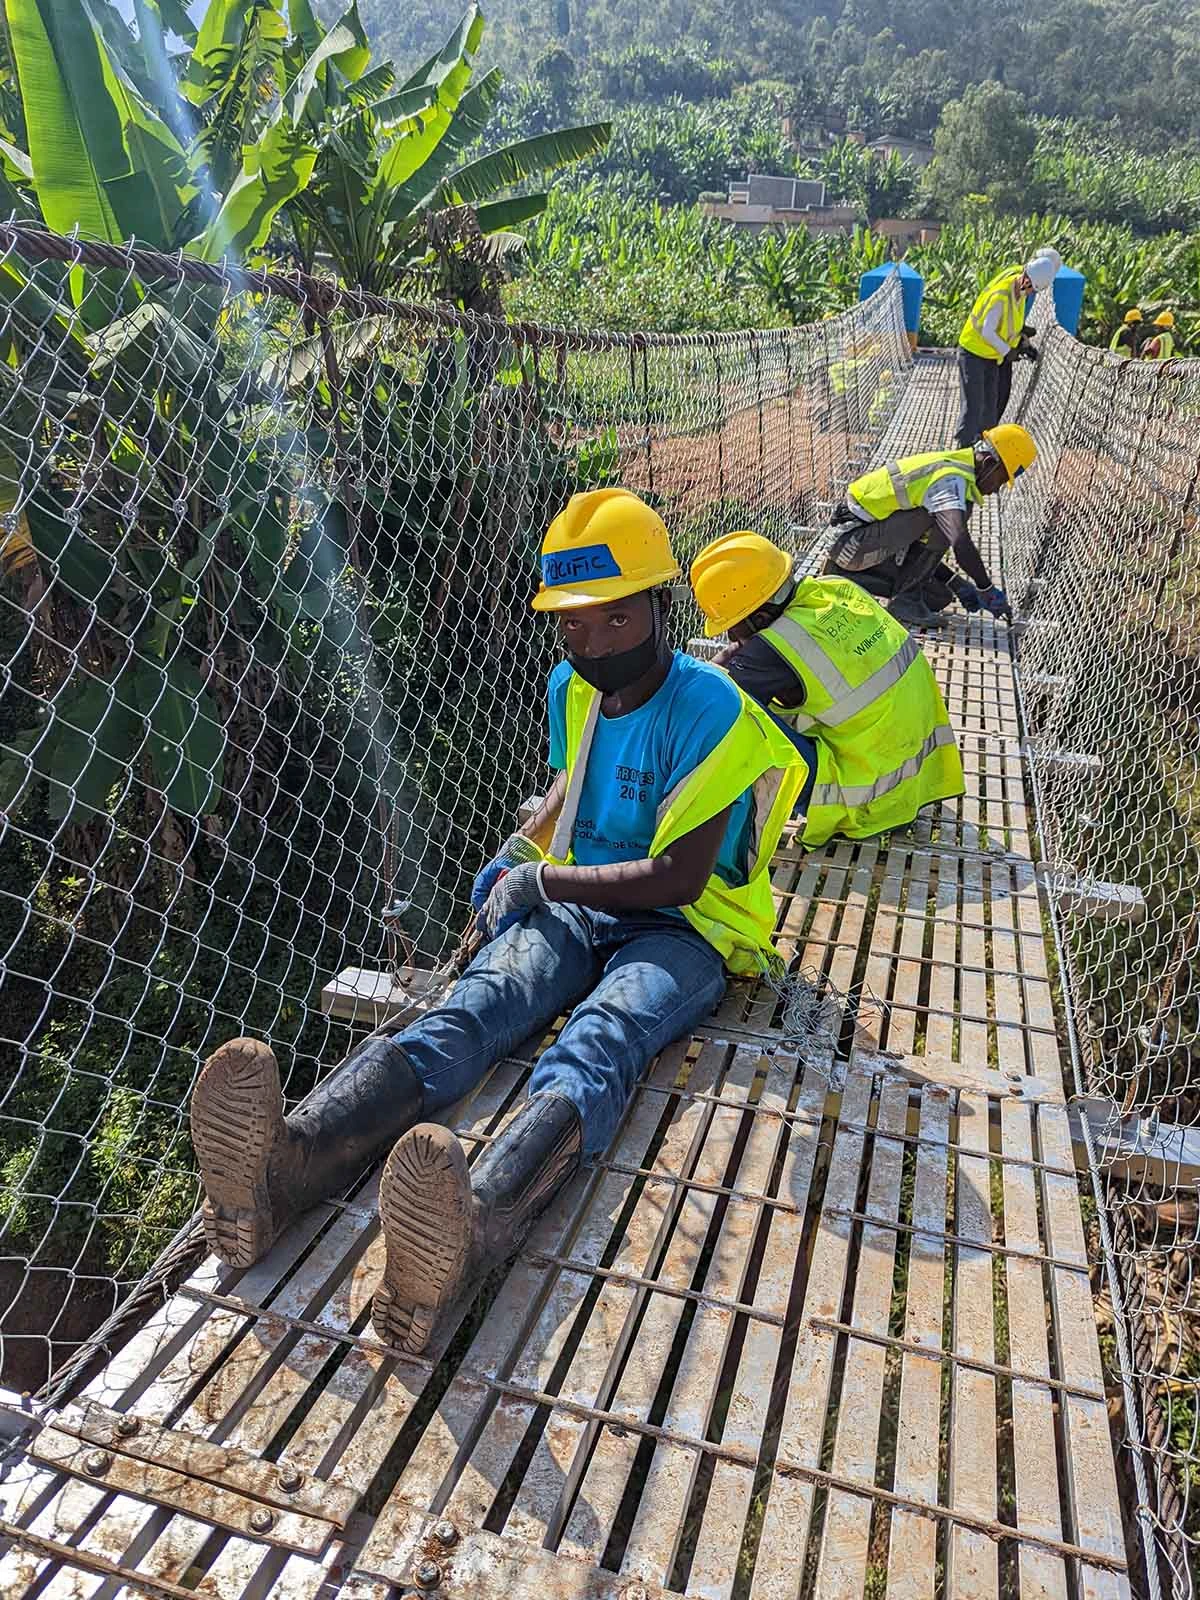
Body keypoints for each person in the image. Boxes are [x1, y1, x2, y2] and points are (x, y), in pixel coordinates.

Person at [189, 489, 806, 1356]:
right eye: (571, 625)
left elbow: (679, 874)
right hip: (579, 898)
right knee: (479, 1003)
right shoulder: (575, 687)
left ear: (657, 607)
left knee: (602, 1033)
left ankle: (473, 1226)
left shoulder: (711, 709)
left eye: (610, 619)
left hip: (690, 927)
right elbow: (568, 784)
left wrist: (545, 881)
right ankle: (288, 1166)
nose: (588, 642)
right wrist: (523, 846)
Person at [690, 534, 964, 849]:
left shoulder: (774, 649)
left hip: (862, 800)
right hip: (916, 779)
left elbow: (713, 693)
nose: (727, 635)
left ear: (761, 618)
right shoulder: (835, 589)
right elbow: (740, 656)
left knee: (727, 708)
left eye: (731, 625)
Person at [820, 423, 1038, 629]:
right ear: (990, 463)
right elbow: (958, 540)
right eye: (1000, 480)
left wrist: (958, 583)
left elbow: (917, 548)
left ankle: (845, 576)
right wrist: (986, 588)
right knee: (950, 517)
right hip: (850, 543)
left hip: (865, 544)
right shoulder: (949, 480)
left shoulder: (958, 470)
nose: (996, 489)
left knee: (938, 597)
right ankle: (903, 598)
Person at [956, 256, 1056, 447]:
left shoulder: (1019, 287)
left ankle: (981, 453)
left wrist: (1022, 343)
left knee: (990, 413)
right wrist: (1008, 350)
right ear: (1026, 281)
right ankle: (962, 449)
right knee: (973, 408)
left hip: (991, 357)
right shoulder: (1001, 297)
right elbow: (987, 331)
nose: (1033, 293)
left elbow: (1008, 324)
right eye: (1033, 288)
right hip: (972, 353)